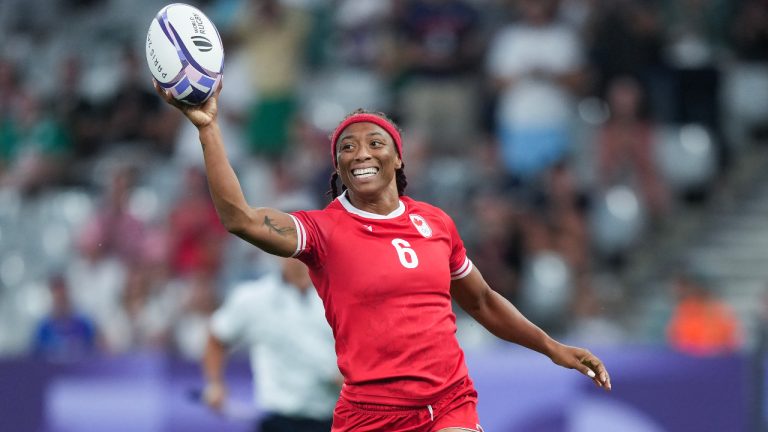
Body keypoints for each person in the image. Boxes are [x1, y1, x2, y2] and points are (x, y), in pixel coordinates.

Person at [154, 79, 611, 432]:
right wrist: (208, 128)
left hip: (449, 401)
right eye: (346, 148)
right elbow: (242, 220)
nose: (360, 153)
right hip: (370, 415)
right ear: (337, 168)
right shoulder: (323, 231)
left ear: (398, 158)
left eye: (375, 142)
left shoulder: (435, 224)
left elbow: (483, 302)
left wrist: (552, 348)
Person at [202, 257, 339, 432]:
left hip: (332, 418)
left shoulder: (341, 296)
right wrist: (215, 384)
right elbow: (217, 336)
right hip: (277, 419)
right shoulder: (254, 298)